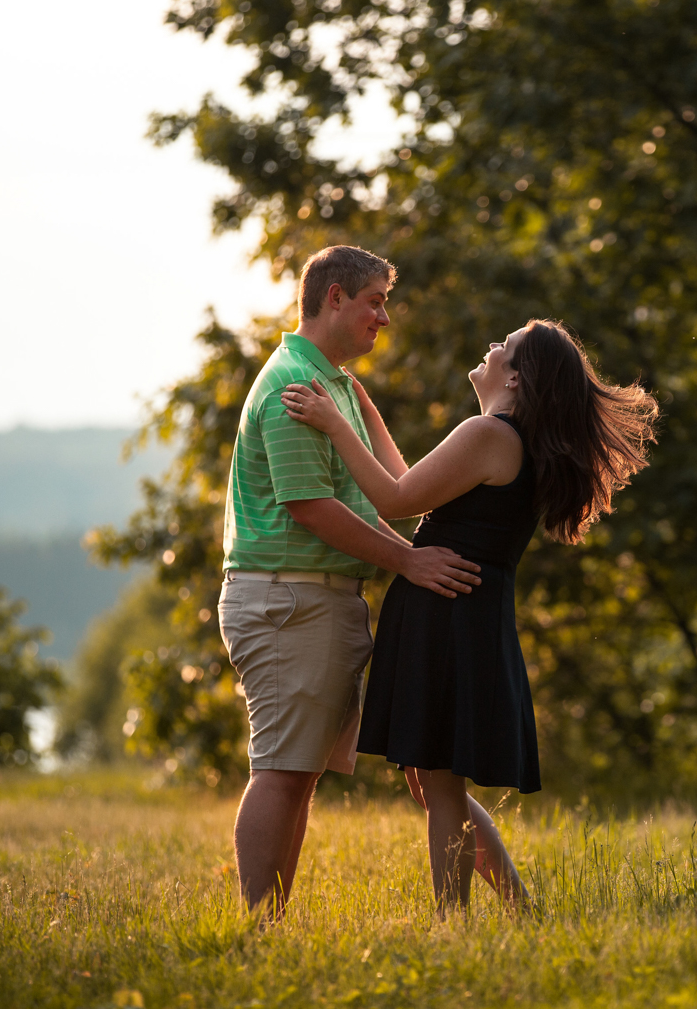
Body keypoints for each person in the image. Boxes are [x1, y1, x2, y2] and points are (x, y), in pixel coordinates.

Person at [281, 318, 658, 914]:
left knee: (438, 782)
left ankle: (453, 922)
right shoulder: (509, 440)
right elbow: (409, 484)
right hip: (460, 616)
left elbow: (398, 500)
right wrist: (361, 410)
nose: (490, 346)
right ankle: (520, 908)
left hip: (447, 618)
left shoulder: (488, 434)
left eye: (502, 347)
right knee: (431, 780)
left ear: (516, 375)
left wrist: (332, 423)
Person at [217, 245, 483, 917]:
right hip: (288, 599)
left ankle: (269, 922)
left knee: (298, 776)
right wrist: (407, 560)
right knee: (280, 771)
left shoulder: (332, 383)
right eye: (374, 301)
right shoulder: (293, 388)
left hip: (317, 601)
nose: (384, 319)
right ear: (334, 298)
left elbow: (398, 488)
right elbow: (310, 507)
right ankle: (257, 928)